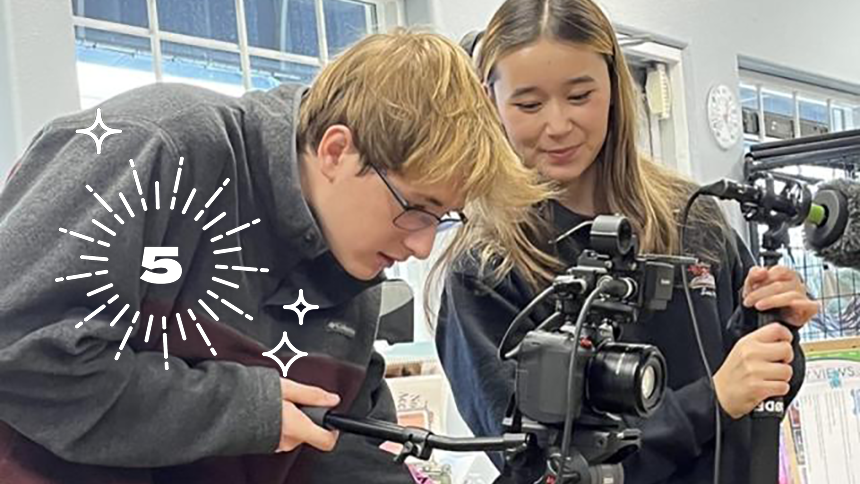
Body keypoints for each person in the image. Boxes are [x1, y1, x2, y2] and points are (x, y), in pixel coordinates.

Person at [0, 30, 549, 484]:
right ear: (337, 149)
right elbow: (19, 356)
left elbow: (344, 447)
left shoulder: (350, 265)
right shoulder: (158, 146)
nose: (422, 245)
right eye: (417, 208)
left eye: (443, 217)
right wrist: (243, 409)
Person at [433, 1, 819, 483]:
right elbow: (541, 467)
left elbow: (760, 398)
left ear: (615, 88)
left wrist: (773, 328)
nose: (557, 125)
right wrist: (710, 402)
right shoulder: (487, 267)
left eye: (579, 96)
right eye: (529, 104)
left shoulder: (694, 220)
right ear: (492, 103)